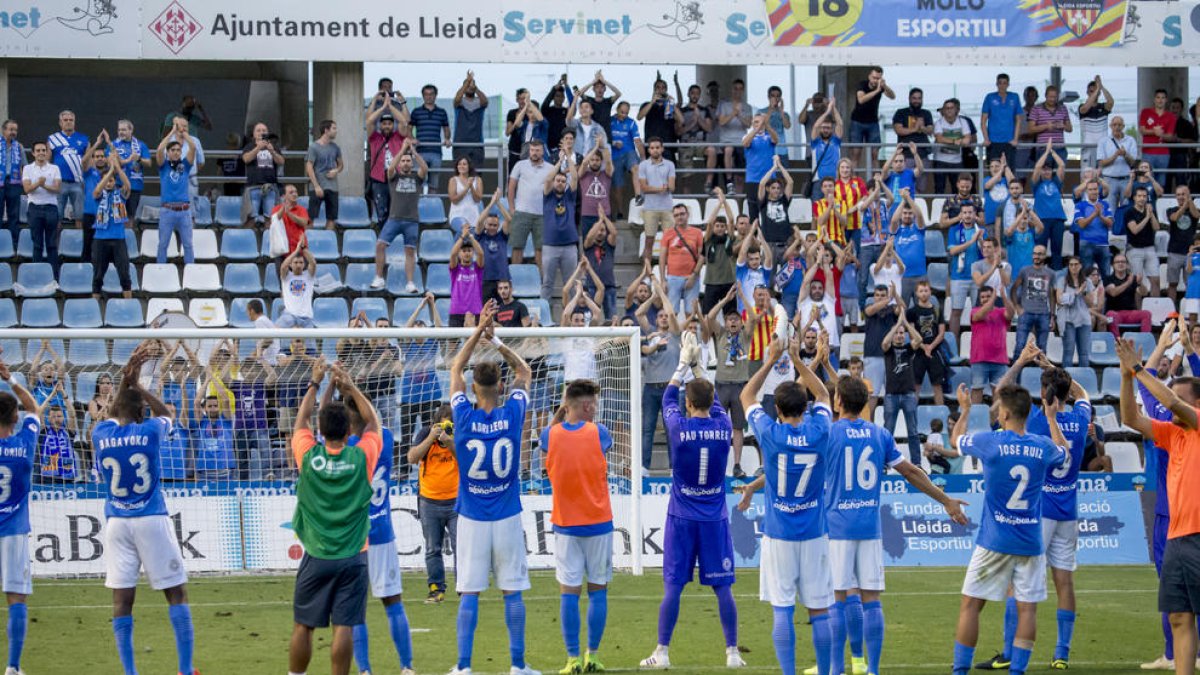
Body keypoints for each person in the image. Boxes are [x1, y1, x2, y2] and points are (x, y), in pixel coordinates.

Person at [805, 375, 967, 675]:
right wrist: (945, 500)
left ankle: (836, 669)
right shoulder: (880, 434)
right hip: (869, 527)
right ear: (865, 403)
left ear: (838, 402)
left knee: (838, 599)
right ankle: (873, 670)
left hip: (838, 528)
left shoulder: (828, 432)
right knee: (872, 600)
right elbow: (911, 471)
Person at [289, 360, 409, 675]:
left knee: (304, 625)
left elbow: (301, 422)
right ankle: (401, 666)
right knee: (346, 624)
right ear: (348, 430)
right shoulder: (362, 457)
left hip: (317, 553)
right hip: (356, 554)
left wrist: (317, 383)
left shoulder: (309, 456)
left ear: (321, 432)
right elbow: (374, 424)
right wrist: (349, 384)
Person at [946, 382, 1068, 675]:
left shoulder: (991, 442)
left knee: (970, 605)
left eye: (1000, 409)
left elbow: (956, 441)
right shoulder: (1042, 446)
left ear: (1006, 414)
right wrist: (1051, 419)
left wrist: (965, 410)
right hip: (1030, 542)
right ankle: (1018, 671)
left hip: (994, 540)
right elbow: (1065, 452)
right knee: (1027, 608)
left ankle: (960, 671)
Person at [983, 343, 1092, 671]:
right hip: (1068, 512)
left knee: (1019, 583)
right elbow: (1083, 393)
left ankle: (1008, 652)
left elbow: (1000, 400)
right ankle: (1062, 652)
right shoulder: (1080, 417)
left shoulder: (1036, 421)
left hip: (1039, 511)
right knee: (1065, 583)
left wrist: (1021, 362)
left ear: (1044, 393)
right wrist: (1054, 369)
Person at [93, 345, 199, 675]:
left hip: (116, 524)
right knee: (176, 594)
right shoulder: (150, 430)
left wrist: (129, 375)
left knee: (122, 602)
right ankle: (184, 669)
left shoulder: (100, 433)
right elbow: (167, 414)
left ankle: (130, 672)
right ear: (142, 414)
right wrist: (139, 385)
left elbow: (116, 410)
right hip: (150, 518)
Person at [735, 335, 836, 675]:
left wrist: (772, 358)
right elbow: (823, 393)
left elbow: (746, 395)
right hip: (815, 533)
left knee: (782, 610)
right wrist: (798, 360)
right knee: (820, 610)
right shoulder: (820, 429)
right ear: (804, 408)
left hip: (779, 534)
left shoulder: (770, 433)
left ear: (776, 410)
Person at [448, 303, 539, 675]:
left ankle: (464, 667)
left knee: (469, 591)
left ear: (473, 387)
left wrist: (477, 331)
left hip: (470, 516)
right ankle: (517, 666)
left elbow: (454, 368)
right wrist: (496, 338)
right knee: (511, 590)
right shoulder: (512, 413)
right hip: (506, 515)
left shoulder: (463, 416)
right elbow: (526, 370)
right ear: (501, 386)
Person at [641, 344, 743, 670]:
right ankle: (732, 653)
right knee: (723, 588)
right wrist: (699, 367)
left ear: (689, 403)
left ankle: (662, 651)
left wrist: (683, 364)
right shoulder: (724, 427)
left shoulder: (678, 428)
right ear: (711, 403)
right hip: (714, 518)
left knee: (673, 586)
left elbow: (668, 399)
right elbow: (710, 402)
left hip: (682, 517)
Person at [1117, 337, 1200, 675]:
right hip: (1179, 537)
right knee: (1179, 616)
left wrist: (1138, 369)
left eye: (1180, 399)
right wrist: (1125, 376)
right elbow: (1130, 418)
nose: (1171, 406)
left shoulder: (1196, 423)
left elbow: (1170, 402)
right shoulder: (1173, 433)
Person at [540, 379, 616, 674]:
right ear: (586, 405)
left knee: (568, 592)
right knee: (598, 590)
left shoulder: (550, 435)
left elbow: (553, 432)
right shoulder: (600, 433)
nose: (595, 408)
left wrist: (564, 409)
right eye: (593, 404)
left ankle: (572, 659)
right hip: (598, 522)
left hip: (566, 525)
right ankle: (592, 656)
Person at [0, 361, 38, 675]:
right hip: (13, 530)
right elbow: (34, 408)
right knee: (17, 598)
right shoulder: (24, 444)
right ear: (15, 417)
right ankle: (12, 667)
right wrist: (9, 378)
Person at [407, 403, 458, 604]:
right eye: (443, 424)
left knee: (460, 547)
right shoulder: (425, 434)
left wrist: (450, 441)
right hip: (429, 501)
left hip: (456, 502)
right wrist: (431, 437)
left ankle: (464, 587)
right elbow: (411, 458)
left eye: (450, 424)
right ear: (434, 423)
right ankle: (436, 589)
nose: (446, 427)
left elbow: (466, 461)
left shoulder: (459, 435)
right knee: (432, 548)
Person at [372, 138, 427, 293]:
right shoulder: (393, 178)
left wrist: (413, 152)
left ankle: (410, 283)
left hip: (412, 221)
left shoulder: (417, 178)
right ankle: (378, 278)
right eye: (403, 161)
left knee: (410, 252)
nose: (405, 163)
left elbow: (425, 168)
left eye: (408, 161)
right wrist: (402, 150)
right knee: (380, 245)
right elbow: (390, 168)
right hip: (394, 219)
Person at [882, 306, 924, 464]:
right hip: (891, 395)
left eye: (902, 334)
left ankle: (917, 464)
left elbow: (919, 340)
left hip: (908, 395)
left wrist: (905, 324)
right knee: (888, 432)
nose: (899, 336)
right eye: (897, 334)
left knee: (913, 432)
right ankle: (885, 463)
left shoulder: (908, 349)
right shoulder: (888, 350)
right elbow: (885, 343)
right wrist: (896, 326)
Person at [90, 155, 133, 300]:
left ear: (114, 182)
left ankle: (129, 303)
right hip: (100, 239)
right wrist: (109, 172)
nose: (108, 183)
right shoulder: (98, 195)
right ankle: (94, 306)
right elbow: (97, 190)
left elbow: (128, 186)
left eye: (111, 181)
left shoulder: (120, 194)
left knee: (124, 274)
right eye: (106, 181)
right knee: (97, 275)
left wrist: (117, 169)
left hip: (118, 239)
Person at [507, 138, 555, 268]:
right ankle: (516, 279)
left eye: (537, 150)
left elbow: (555, 191)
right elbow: (511, 187)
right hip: (521, 212)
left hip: (542, 214)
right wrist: (512, 208)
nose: (534, 153)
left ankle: (540, 281)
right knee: (517, 247)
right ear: (529, 151)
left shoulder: (551, 168)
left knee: (540, 249)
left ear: (543, 152)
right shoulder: (520, 165)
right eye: (532, 150)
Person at [154, 133, 196, 265]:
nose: (176, 152)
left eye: (179, 150)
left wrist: (184, 134)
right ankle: (160, 272)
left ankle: (190, 273)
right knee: (163, 244)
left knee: (188, 245)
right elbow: (159, 149)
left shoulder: (185, 165)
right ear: (168, 152)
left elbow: (193, 148)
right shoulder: (163, 165)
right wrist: (172, 132)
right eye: (173, 150)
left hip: (184, 211)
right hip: (168, 210)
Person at [542, 159, 580, 302]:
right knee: (547, 284)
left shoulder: (570, 197)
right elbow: (547, 178)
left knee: (571, 284)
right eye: (557, 180)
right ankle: (543, 319)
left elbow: (575, 177)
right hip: (550, 246)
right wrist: (560, 161)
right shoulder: (547, 197)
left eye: (563, 181)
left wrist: (568, 157)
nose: (560, 183)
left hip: (569, 247)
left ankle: (572, 318)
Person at [22, 141, 62, 277]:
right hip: (34, 209)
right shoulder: (27, 168)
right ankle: (36, 276)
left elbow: (57, 189)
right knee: (37, 244)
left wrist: (43, 185)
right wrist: (39, 183)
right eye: (38, 150)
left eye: (43, 150)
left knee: (52, 245)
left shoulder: (54, 168)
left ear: (47, 152)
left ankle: (54, 277)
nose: (41, 153)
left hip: (51, 208)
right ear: (33, 153)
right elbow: (27, 189)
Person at [970, 284, 1014, 404]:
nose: (985, 299)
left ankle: (997, 421)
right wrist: (993, 297)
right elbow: (979, 315)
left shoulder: (1001, 312)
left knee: (999, 392)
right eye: (982, 297)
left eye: (988, 296)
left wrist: (1004, 296)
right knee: (977, 389)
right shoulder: (975, 311)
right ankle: (975, 419)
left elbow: (1011, 313)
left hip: (999, 360)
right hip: (979, 359)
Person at [947, 202, 984, 339]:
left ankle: (977, 343)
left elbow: (987, 253)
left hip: (977, 277)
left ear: (975, 215)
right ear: (961, 215)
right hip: (959, 276)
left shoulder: (981, 231)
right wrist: (971, 242)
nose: (968, 215)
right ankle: (953, 346)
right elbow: (952, 251)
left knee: (978, 312)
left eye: (970, 212)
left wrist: (980, 241)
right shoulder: (954, 230)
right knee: (956, 311)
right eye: (965, 213)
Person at [661, 203, 705, 316]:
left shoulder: (697, 233)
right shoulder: (668, 233)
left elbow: (702, 256)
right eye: (676, 215)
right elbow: (662, 258)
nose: (679, 217)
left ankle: (689, 334)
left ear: (687, 214)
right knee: (671, 313)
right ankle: (673, 335)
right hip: (672, 278)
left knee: (691, 313)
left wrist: (694, 276)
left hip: (691, 277)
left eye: (682, 214)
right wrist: (663, 280)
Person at [1011, 245, 1055, 358]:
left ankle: (1042, 375)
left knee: (1042, 348)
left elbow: (1051, 295)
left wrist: (1052, 316)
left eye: (1039, 254)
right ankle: (1015, 375)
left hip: (1043, 314)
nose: (1036, 256)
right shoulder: (1025, 271)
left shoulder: (1051, 273)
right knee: (1020, 346)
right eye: (1034, 253)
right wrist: (1017, 307)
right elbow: (1014, 289)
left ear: (1045, 256)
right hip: (1026, 313)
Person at [908, 281, 948, 406]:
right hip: (918, 353)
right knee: (916, 386)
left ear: (930, 292)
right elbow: (911, 333)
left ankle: (941, 412)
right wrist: (923, 347)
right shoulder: (912, 312)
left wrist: (930, 347)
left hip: (934, 352)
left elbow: (941, 333)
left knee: (937, 385)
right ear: (916, 293)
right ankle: (912, 413)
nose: (924, 293)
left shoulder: (937, 310)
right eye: (921, 291)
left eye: (926, 290)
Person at [637, 138, 677, 264]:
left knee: (670, 241)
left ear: (662, 148)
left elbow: (672, 187)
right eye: (652, 148)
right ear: (649, 150)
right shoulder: (643, 165)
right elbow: (644, 188)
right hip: (650, 208)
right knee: (649, 241)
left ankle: (669, 270)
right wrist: (661, 188)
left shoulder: (670, 164)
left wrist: (654, 188)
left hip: (667, 208)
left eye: (657, 147)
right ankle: (647, 273)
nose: (655, 150)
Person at [47, 110, 88, 231]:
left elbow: (89, 162)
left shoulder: (84, 139)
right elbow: (47, 162)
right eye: (65, 120)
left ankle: (78, 246)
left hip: (78, 182)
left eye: (71, 120)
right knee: (57, 216)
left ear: (74, 122)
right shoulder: (53, 139)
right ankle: (56, 247)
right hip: (59, 183)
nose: (68, 122)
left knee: (79, 216)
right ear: (60, 122)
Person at [850, 67, 895, 173]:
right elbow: (861, 99)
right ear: (869, 76)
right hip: (857, 121)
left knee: (875, 154)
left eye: (878, 78)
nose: (875, 80)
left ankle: (876, 181)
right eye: (874, 78)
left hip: (873, 122)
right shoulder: (862, 85)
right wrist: (877, 91)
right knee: (856, 153)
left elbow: (892, 96)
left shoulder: (881, 87)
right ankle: (853, 181)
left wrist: (885, 86)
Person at [366, 109, 407, 225]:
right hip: (379, 179)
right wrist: (383, 106)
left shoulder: (398, 137)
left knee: (396, 211)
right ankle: (382, 239)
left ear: (393, 125)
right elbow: (369, 121)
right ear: (380, 125)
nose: (387, 126)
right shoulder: (374, 137)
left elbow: (403, 122)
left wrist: (390, 106)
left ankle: (394, 237)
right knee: (381, 212)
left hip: (396, 178)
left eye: (389, 124)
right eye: (384, 124)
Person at [241, 122, 285, 226]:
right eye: (259, 130)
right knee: (250, 218)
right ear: (254, 134)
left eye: (264, 130)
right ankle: (249, 240)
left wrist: (272, 151)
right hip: (253, 186)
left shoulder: (273, 146)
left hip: (270, 187)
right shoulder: (249, 146)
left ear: (268, 133)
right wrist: (258, 148)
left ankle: (267, 240)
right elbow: (246, 159)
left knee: (270, 218)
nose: (261, 132)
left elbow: (281, 161)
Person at [410, 84, 451, 191]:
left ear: (435, 95)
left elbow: (446, 129)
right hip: (420, 152)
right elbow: (408, 129)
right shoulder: (416, 111)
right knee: (418, 183)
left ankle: (431, 206)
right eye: (426, 94)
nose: (429, 97)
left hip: (436, 152)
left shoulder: (441, 112)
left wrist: (447, 139)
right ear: (423, 96)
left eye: (431, 94)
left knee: (434, 183)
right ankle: (419, 207)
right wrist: (412, 138)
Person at [1057, 257, 1095, 368]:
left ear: (1080, 265)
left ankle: (1084, 381)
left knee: (1084, 353)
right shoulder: (1062, 281)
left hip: (1084, 320)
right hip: (1068, 320)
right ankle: (1066, 380)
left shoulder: (1087, 281)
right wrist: (1077, 292)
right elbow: (1060, 300)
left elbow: (1091, 303)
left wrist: (1083, 293)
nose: (1073, 267)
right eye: (1071, 265)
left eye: (1076, 264)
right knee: (1068, 352)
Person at [716, 80, 753, 194]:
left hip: (741, 141)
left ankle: (739, 202)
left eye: (740, 88)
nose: (737, 91)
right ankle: (729, 181)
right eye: (735, 88)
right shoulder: (724, 104)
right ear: (732, 90)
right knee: (728, 150)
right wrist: (733, 113)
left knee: (740, 177)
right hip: (727, 140)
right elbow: (721, 122)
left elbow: (748, 124)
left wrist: (739, 114)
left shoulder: (747, 106)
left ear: (743, 90)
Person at [304, 119, 343, 229]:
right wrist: (316, 186)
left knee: (331, 218)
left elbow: (341, 165)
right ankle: (308, 241)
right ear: (326, 130)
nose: (336, 131)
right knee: (311, 216)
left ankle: (327, 243)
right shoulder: (313, 147)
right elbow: (309, 166)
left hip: (333, 187)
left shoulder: (335, 147)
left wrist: (336, 170)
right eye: (334, 128)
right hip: (318, 187)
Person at [1096, 116, 1139, 214]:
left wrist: (1125, 154)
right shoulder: (1104, 141)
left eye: (1119, 125)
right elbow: (1101, 162)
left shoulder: (1131, 140)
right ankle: (1111, 229)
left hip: (1126, 179)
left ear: (1123, 126)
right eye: (1114, 125)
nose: (1117, 127)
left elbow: (1133, 163)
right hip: (1109, 180)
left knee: (1127, 210)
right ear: (1110, 126)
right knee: (1109, 211)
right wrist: (1115, 156)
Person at [1124, 186, 1162, 295]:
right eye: (1139, 196)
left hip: (1150, 248)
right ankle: (1138, 309)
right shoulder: (1129, 212)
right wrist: (1146, 217)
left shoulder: (1150, 210)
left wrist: (1151, 214)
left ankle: (1155, 305)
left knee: (1155, 280)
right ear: (1134, 198)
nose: (1142, 198)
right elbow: (1135, 230)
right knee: (1137, 281)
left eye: (1144, 196)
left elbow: (1156, 227)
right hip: (1134, 249)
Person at [112, 119, 151, 225]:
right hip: (118, 186)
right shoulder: (113, 145)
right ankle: (118, 239)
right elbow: (109, 162)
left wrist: (138, 158)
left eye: (124, 130)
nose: (121, 132)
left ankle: (129, 239)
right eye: (119, 130)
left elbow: (149, 163)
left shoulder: (141, 145)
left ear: (131, 130)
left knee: (130, 217)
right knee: (118, 216)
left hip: (135, 187)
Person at [933, 98, 974, 194]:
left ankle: (958, 208)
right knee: (939, 188)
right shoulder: (938, 122)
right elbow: (939, 139)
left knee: (958, 189)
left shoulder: (963, 122)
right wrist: (955, 141)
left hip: (957, 161)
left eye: (951, 107)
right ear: (943, 110)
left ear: (956, 109)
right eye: (947, 108)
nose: (949, 110)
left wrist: (963, 141)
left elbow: (968, 139)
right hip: (940, 161)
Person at [981, 74, 1024, 165]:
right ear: (996, 84)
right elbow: (983, 120)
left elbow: (1018, 120)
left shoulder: (1014, 97)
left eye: (1004, 83)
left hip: (1009, 142)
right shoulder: (990, 97)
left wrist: (1015, 139)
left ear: (1008, 84)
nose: (1002, 85)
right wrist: (986, 139)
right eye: (1000, 83)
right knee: (994, 170)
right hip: (993, 142)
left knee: (1009, 170)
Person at [1167, 186, 1200, 304]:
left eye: (1183, 194)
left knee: (1190, 283)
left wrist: (1189, 203)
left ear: (1189, 195)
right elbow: (1175, 218)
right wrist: (1184, 207)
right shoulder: (1171, 209)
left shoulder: (1193, 210)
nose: (1181, 197)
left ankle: (1188, 309)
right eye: (1178, 194)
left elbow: (1197, 216)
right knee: (1172, 283)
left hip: (1190, 253)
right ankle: (1171, 311)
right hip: (1174, 251)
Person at [743, 113, 779, 218]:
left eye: (761, 121)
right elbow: (745, 143)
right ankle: (754, 233)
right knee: (753, 211)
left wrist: (767, 125)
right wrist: (756, 129)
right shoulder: (747, 136)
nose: (759, 124)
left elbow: (776, 140)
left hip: (769, 179)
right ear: (752, 124)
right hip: (753, 179)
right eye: (756, 122)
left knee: (769, 211)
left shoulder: (769, 136)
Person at [1140, 89, 1177, 188]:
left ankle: (1159, 202)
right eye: (1158, 97)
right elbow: (1142, 130)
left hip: (1163, 153)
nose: (1160, 100)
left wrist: (1161, 135)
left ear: (1166, 100)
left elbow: (1170, 136)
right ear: (1154, 99)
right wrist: (1154, 131)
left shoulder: (1171, 116)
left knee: (1161, 181)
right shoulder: (1146, 112)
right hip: (1148, 152)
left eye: (1163, 98)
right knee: (1146, 179)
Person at [453, 70, 490, 168]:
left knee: (477, 173)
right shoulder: (460, 102)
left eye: (471, 85)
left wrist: (476, 88)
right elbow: (456, 99)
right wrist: (467, 82)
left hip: (477, 143)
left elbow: (485, 102)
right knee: (460, 173)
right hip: (460, 143)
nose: (470, 87)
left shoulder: (479, 102)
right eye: (467, 85)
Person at [1026, 85, 1072, 164]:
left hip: (1060, 149)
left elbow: (1070, 128)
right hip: (1043, 149)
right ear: (1045, 96)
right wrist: (1046, 126)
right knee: (1044, 174)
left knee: (1059, 174)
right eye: (1050, 97)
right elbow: (1030, 129)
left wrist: (1063, 126)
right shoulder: (1036, 109)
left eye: (1055, 97)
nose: (1052, 99)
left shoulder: (1063, 108)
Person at [1078, 76, 1114, 170]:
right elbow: (1085, 109)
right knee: (1087, 176)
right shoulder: (1082, 106)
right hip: (1088, 148)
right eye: (1091, 91)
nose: (1094, 93)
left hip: (1103, 147)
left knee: (1102, 177)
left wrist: (1101, 86)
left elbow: (1111, 102)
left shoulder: (1103, 107)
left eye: (1096, 92)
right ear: (1087, 92)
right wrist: (1097, 90)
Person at [277, 242, 316, 329]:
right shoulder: (286, 276)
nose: (298, 265)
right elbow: (283, 267)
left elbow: (313, 263)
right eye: (295, 262)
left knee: (311, 343)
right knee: (274, 333)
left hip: (306, 317)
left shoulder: (309, 276)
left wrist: (304, 249)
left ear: (304, 264)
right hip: (289, 315)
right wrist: (296, 251)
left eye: (301, 262)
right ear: (290, 264)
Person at [809, 103, 844, 200]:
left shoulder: (836, 141)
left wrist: (833, 108)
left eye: (828, 128)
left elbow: (840, 123)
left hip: (835, 181)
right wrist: (827, 112)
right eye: (823, 127)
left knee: (836, 211)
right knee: (817, 213)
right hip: (818, 182)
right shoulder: (815, 142)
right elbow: (815, 126)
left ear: (831, 129)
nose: (825, 130)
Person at [0, 120, 23, 250]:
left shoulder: (19, 146)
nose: (13, 132)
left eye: (15, 130)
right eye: (10, 129)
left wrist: (23, 184)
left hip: (14, 183)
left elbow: (22, 166)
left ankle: (14, 244)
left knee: (14, 214)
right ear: (4, 130)